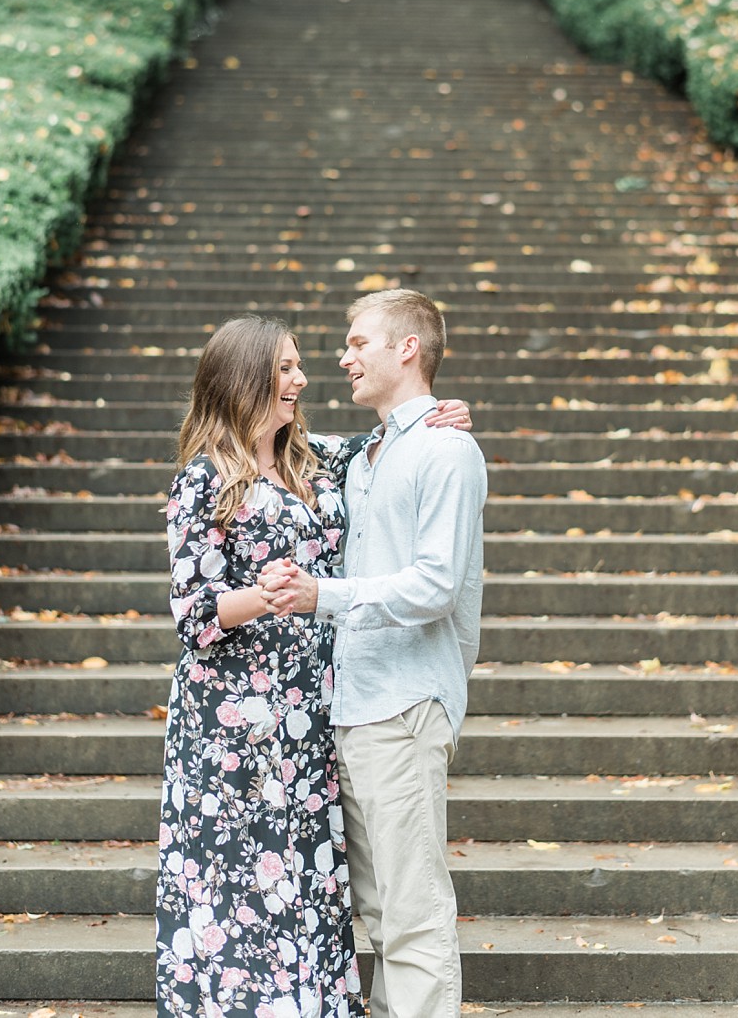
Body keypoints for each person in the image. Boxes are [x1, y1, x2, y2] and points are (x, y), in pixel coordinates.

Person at [155, 314, 471, 1018]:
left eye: (300, 366)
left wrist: (436, 413)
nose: (303, 379)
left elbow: (388, 441)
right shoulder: (205, 478)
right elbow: (193, 611)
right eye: (288, 368)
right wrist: (272, 596)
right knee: (237, 881)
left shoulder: (314, 455)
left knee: (305, 873)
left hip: (310, 708)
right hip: (232, 723)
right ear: (249, 377)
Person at [263, 289, 488, 1018]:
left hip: (406, 703)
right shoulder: (363, 456)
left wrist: (319, 594)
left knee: (413, 912)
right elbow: (280, 443)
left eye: (359, 342)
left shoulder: (447, 449)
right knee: (381, 915)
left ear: (408, 348)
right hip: (353, 707)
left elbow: (434, 585)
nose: (343, 356)